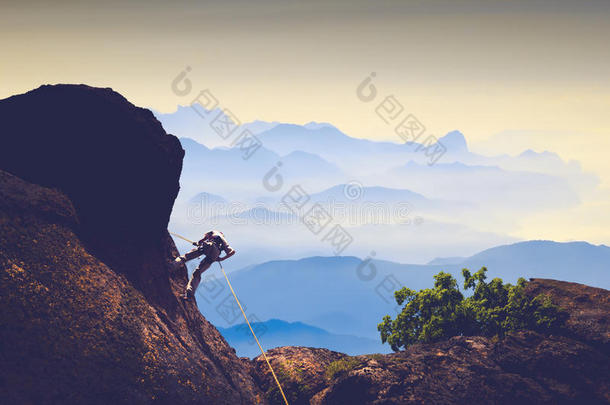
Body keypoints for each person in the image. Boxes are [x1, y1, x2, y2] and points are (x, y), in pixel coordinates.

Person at [174, 230, 235, 300]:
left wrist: (198, 243)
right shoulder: (224, 241)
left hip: (210, 245)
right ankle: (189, 294)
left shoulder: (215, 232)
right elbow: (232, 252)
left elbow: (203, 239)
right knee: (197, 272)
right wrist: (221, 259)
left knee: (186, 257)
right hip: (215, 253)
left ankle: (172, 266)